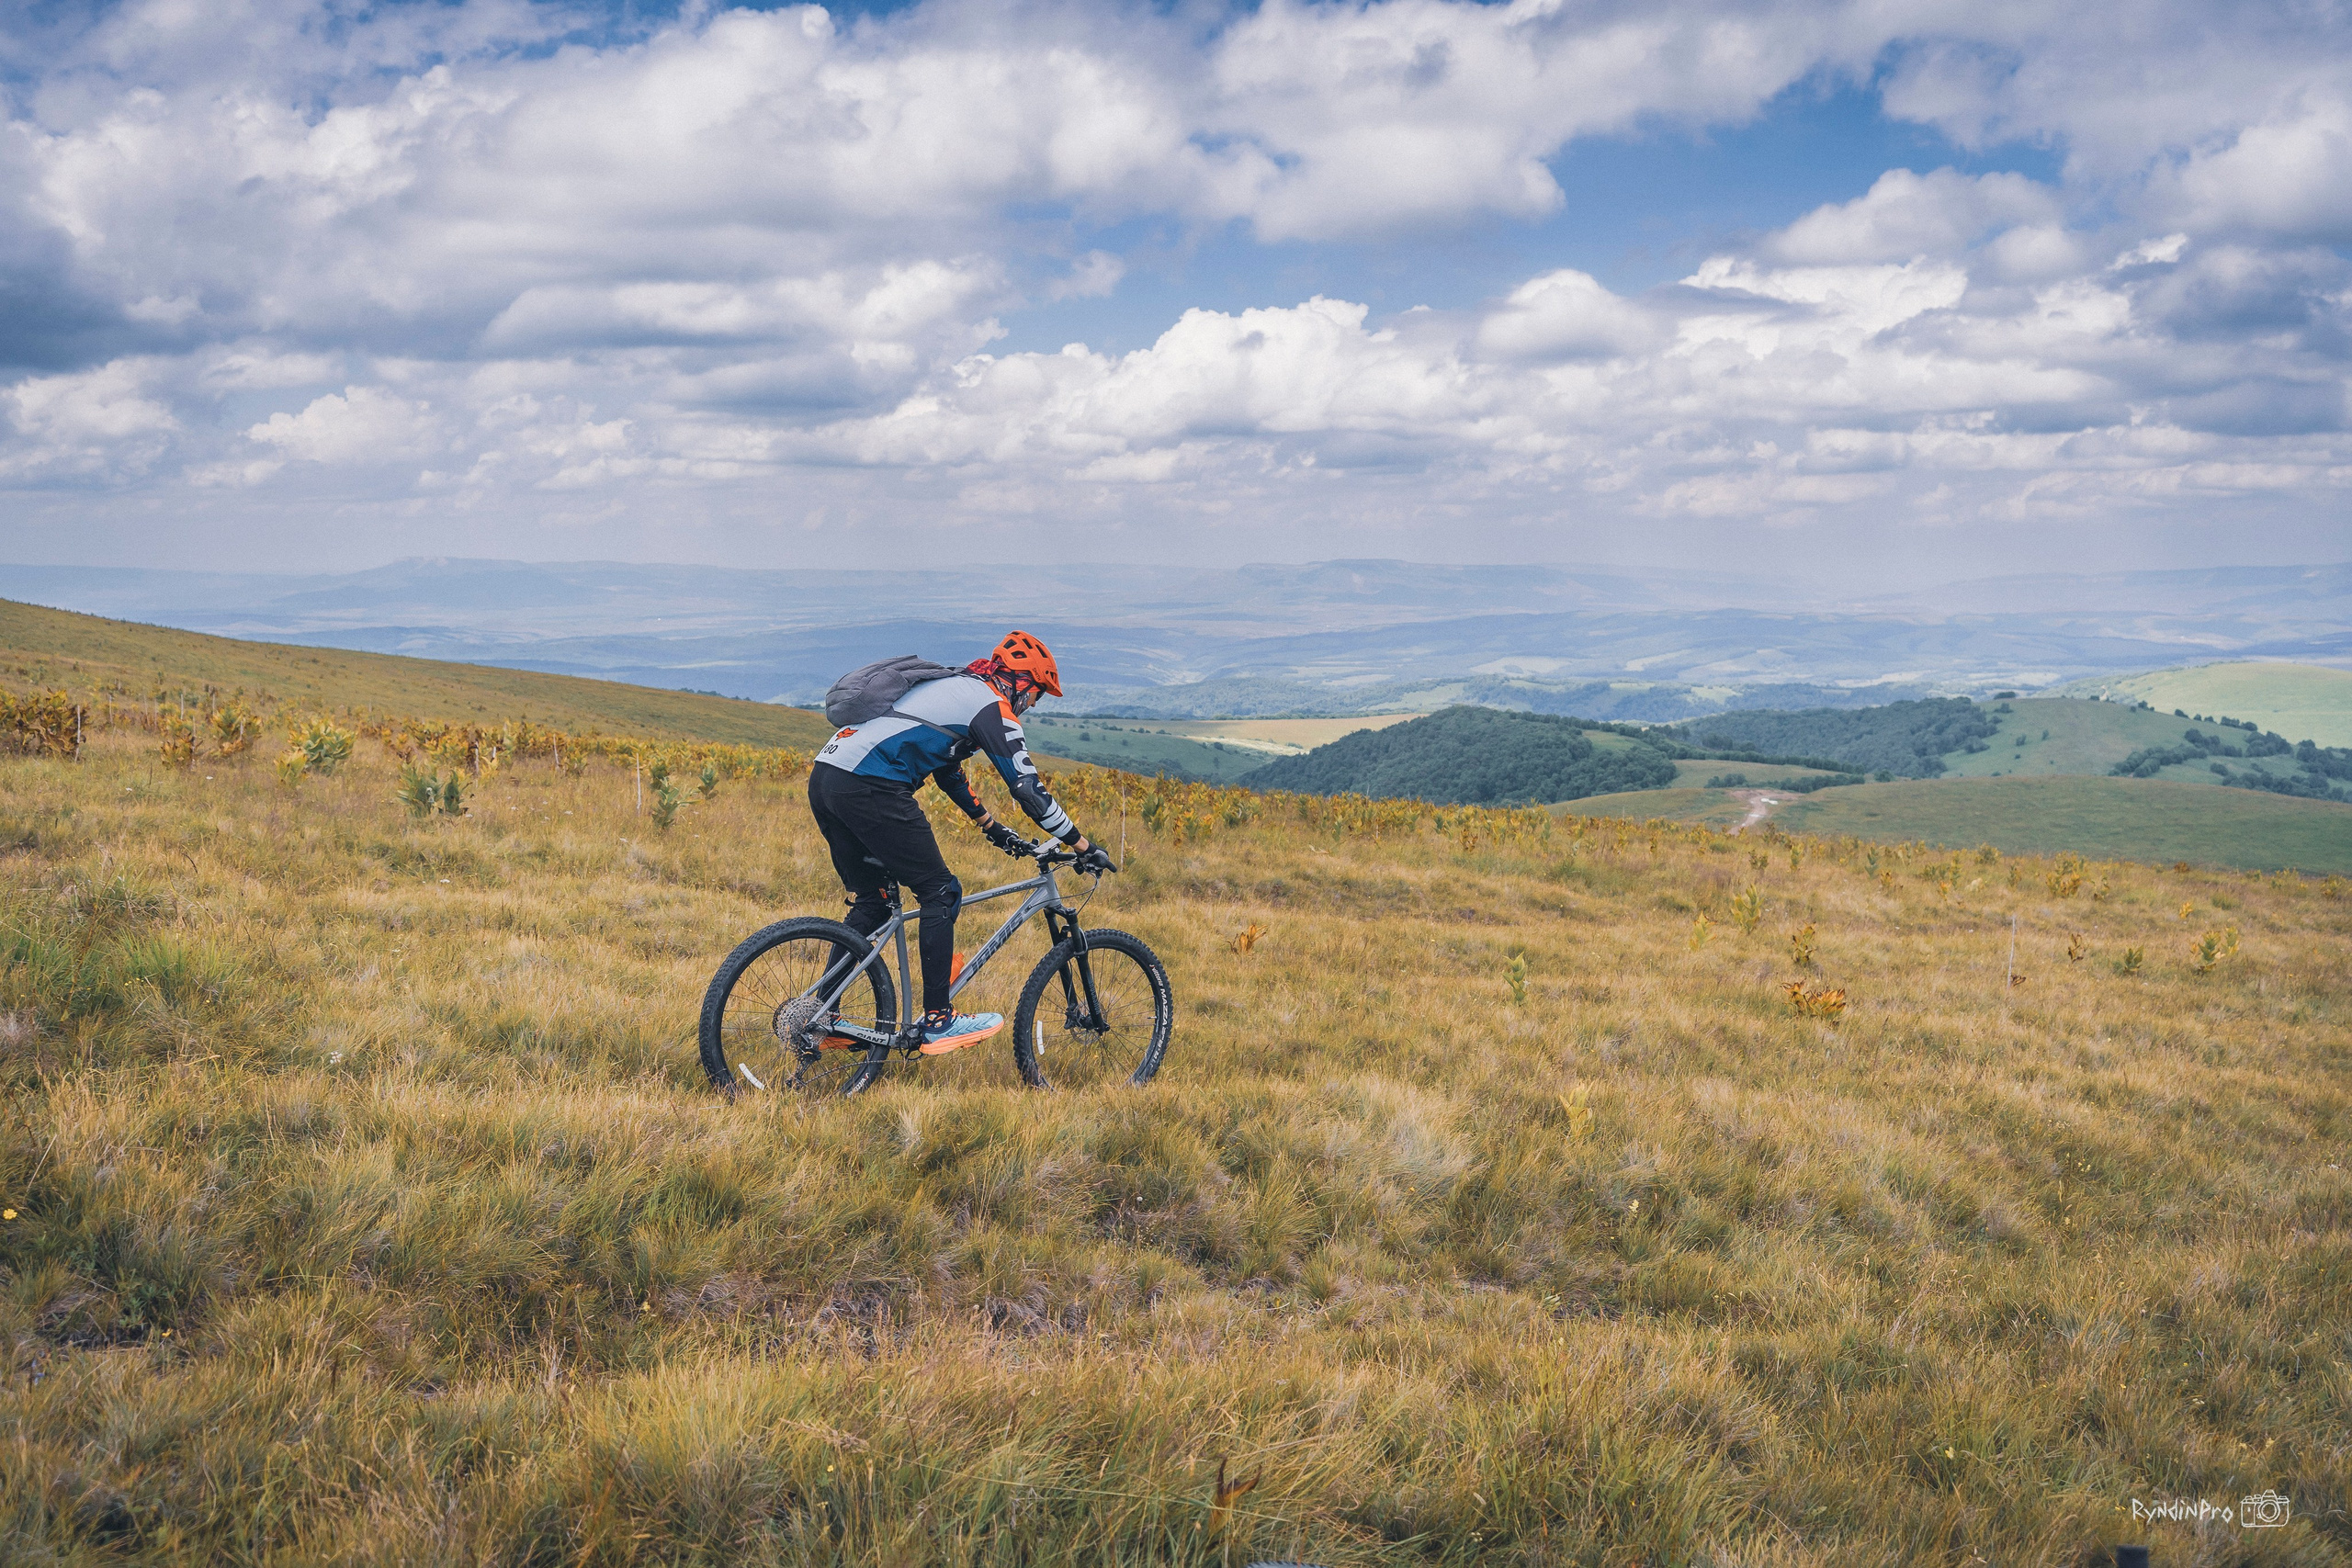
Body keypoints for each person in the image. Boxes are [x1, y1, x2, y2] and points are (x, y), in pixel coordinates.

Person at [808, 630, 1114, 1048]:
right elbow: (1027, 790)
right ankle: (938, 1019)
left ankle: (824, 1016)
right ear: (1021, 682)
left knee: (873, 902)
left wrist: (991, 826)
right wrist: (1082, 845)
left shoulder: (953, 686)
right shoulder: (991, 704)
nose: (1032, 705)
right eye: (1037, 694)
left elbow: (946, 767)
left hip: (827, 778)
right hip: (871, 785)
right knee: (941, 892)